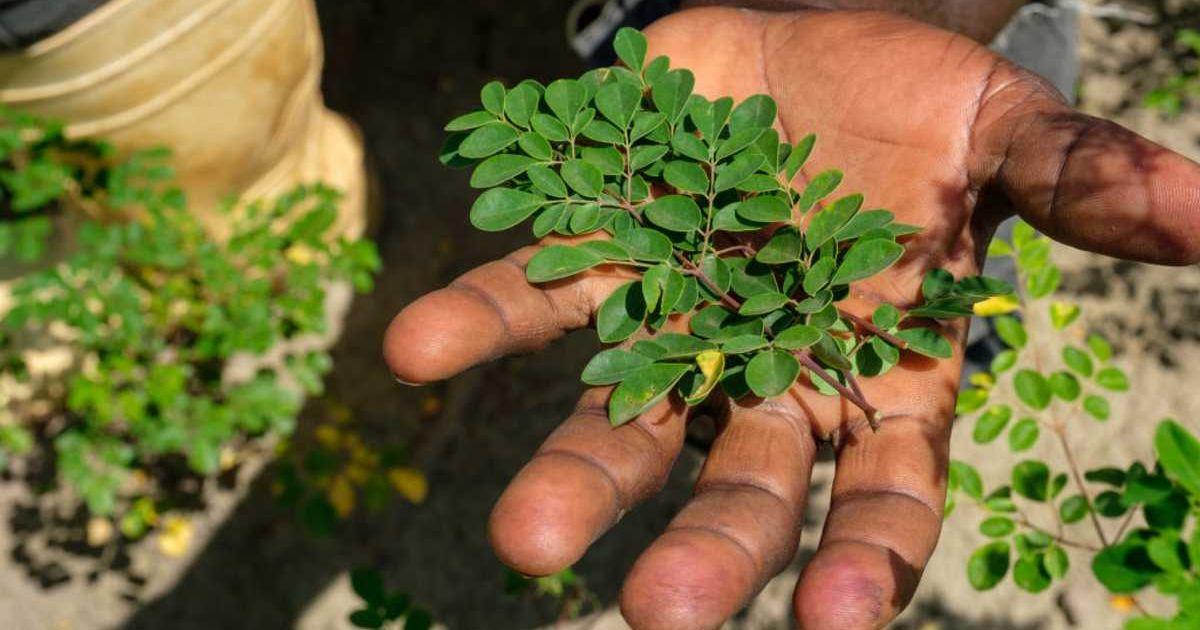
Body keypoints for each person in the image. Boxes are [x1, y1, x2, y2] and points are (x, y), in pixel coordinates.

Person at [385, 2, 1200, 628]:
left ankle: (808, 386)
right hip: (683, 29)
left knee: (936, 291)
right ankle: (721, 399)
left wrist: (860, 18)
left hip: (978, 26)